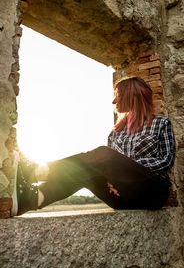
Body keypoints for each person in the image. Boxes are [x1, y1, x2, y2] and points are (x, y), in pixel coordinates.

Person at [12, 77, 176, 216]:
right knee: (86, 171)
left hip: (153, 193)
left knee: (103, 154)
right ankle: (33, 198)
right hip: (122, 196)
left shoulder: (161, 123)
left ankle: (35, 170)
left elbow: (166, 161)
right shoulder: (115, 133)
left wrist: (123, 167)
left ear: (131, 96)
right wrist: (114, 178)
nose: (114, 101)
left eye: (117, 95)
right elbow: (104, 167)